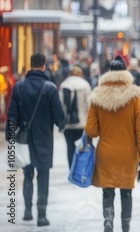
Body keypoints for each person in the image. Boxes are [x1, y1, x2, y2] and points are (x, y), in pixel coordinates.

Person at [85, 56, 140, 232]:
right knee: (126, 191)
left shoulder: (97, 95)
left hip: (106, 152)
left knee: (108, 191)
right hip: (128, 154)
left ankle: (108, 220)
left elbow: (91, 130)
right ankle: (126, 226)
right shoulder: (134, 96)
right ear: (125, 72)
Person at [6, 53, 65, 226]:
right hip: (44, 138)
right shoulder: (50, 88)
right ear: (44, 66)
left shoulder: (19, 87)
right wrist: (62, 124)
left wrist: (10, 137)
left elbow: (12, 115)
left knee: (27, 175)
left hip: (24, 139)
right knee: (43, 176)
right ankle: (41, 214)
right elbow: (58, 117)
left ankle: (27, 211)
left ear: (31, 65)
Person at [59, 66, 92, 168]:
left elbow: (60, 104)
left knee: (70, 146)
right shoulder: (85, 85)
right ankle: (80, 167)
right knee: (81, 146)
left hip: (67, 123)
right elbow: (89, 105)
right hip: (82, 123)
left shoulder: (64, 85)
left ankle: (71, 167)